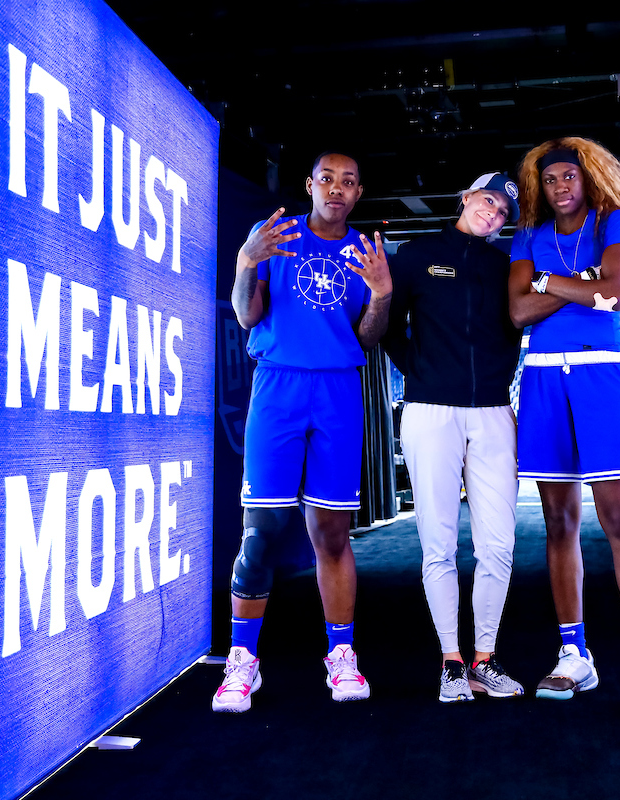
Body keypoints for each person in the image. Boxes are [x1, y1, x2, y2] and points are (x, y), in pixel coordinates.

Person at [213, 152, 392, 713]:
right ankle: (243, 661)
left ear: (358, 193)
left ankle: (341, 655)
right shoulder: (277, 234)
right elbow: (247, 315)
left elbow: (368, 337)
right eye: (327, 179)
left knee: (332, 534)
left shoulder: (365, 252)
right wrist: (246, 261)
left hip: (338, 390)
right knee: (261, 532)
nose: (336, 188)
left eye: (348, 181)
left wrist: (382, 294)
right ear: (310, 184)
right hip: (279, 385)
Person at [507, 137, 620, 721]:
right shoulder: (528, 235)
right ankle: (574, 654)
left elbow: (614, 294)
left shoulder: (615, 221)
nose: (560, 186)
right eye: (550, 178)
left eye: (569, 176)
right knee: (558, 522)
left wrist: (546, 282)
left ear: (589, 178)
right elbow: (518, 312)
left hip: (601, 375)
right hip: (542, 379)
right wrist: (577, 280)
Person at [382, 172, 525, 702]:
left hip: (492, 412)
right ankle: (451, 661)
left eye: (503, 212)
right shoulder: (418, 254)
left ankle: (485, 658)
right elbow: (388, 324)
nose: (494, 213)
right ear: (466, 197)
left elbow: (518, 322)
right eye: (488, 200)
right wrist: (421, 372)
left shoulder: (506, 265)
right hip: (429, 412)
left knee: (499, 545)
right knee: (438, 545)